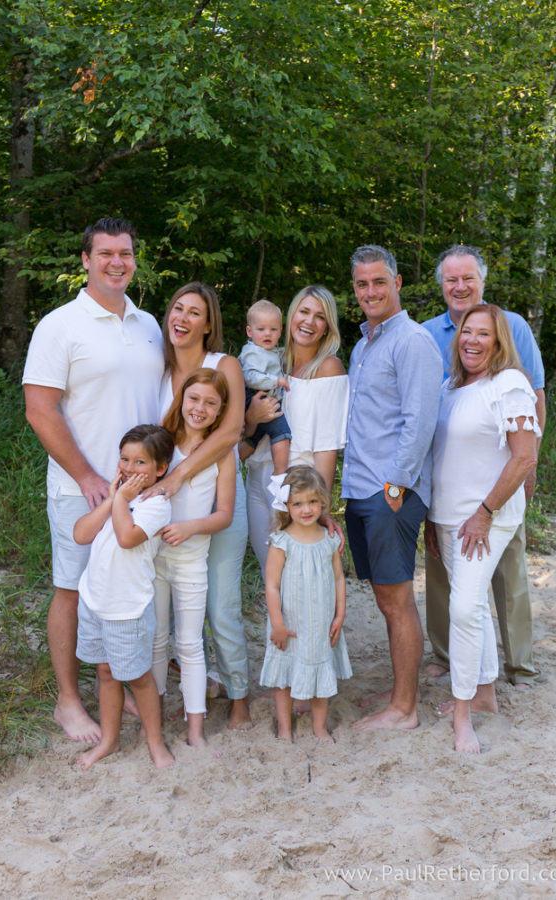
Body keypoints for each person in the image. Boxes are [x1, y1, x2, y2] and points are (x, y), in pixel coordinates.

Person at [23, 217, 164, 743]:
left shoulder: (150, 324)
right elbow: (40, 409)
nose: (116, 262)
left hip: (139, 493)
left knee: (126, 593)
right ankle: (68, 701)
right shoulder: (60, 325)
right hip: (82, 490)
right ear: (85, 260)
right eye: (104, 253)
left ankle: (121, 684)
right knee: (74, 591)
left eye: (125, 253)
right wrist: (86, 475)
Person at [422, 244, 546, 686]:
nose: (459, 286)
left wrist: (526, 469)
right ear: (442, 286)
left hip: (496, 487)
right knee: (448, 582)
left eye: (467, 278)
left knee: (507, 575)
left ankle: (519, 664)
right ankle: (453, 657)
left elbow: (535, 397)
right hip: (448, 493)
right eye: (451, 280)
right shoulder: (426, 334)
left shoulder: (511, 327)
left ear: (482, 281)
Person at [343, 244, 443, 732]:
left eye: (379, 282)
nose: (370, 291)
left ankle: (404, 710)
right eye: (362, 284)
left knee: (397, 598)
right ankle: (402, 689)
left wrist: (397, 484)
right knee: (385, 597)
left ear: (398, 283)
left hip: (390, 492)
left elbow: (419, 420)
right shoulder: (364, 345)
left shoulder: (413, 341)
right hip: (362, 489)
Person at [149, 281, 251, 730]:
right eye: (177, 308)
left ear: (208, 325)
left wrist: (177, 476)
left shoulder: (223, 364)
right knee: (170, 609)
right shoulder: (157, 369)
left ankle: (240, 695)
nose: (183, 318)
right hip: (167, 506)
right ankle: (191, 688)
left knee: (220, 603)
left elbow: (230, 434)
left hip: (216, 495)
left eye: (195, 313)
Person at [73, 425, 175, 770]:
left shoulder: (155, 504)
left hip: (127, 607)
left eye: (141, 462)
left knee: (139, 677)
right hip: (94, 599)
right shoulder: (116, 496)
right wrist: (114, 499)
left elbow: (127, 537)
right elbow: (81, 534)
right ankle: (109, 740)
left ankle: (155, 742)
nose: (130, 468)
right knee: (105, 672)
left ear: (160, 469)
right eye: (125, 459)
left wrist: (120, 500)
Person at [152, 370, 236, 752]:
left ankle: (195, 729)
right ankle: (151, 723)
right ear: (181, 400)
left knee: (188, 643)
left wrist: (189, 528)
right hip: (152, 559)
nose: (199, 408)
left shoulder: (223, 452)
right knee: (155, 642)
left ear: (220, 413)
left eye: (210, 403)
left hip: (190, 562)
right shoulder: (161, 442)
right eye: (194, 399)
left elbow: (224, 515)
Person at [244, 285, 349, 574]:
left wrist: (322, 507)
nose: (309, 321)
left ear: (328, 327)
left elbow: (327, 446)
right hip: (257, 479)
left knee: (297, 577)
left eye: (319, 316)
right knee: (271, 580)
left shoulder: (329, 368)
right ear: (291, 316)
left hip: (298, 485)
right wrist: (252, 418)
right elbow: (248, 431)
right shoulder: (272, 361)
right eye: (304, 311)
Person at [260, 466, 351, 741]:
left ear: (322, 501)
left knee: (321, 673)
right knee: (285, 675)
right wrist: (277, 623)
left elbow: (338, 580)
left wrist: (340, 615)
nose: (306, 509)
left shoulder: (329, 540)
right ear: (286, 505)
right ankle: (285, 729)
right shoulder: (281, 541)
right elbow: (272, 586)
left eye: (312, 501)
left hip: (320, 621)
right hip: (289, 624)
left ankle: (319, 727)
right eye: (297, 503)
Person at [239, 299, 292, 476]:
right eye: (261, 329)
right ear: (249, 331)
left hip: (263, 396)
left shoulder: (271, 351)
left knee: (254, 439)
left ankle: (234, 464)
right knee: (282, 433)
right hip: (254, 395)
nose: (267, 334)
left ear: (280, 331)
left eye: (273, 329)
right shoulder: (252, 352)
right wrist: (276, 380)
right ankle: (280, 475)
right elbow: (251, 378)